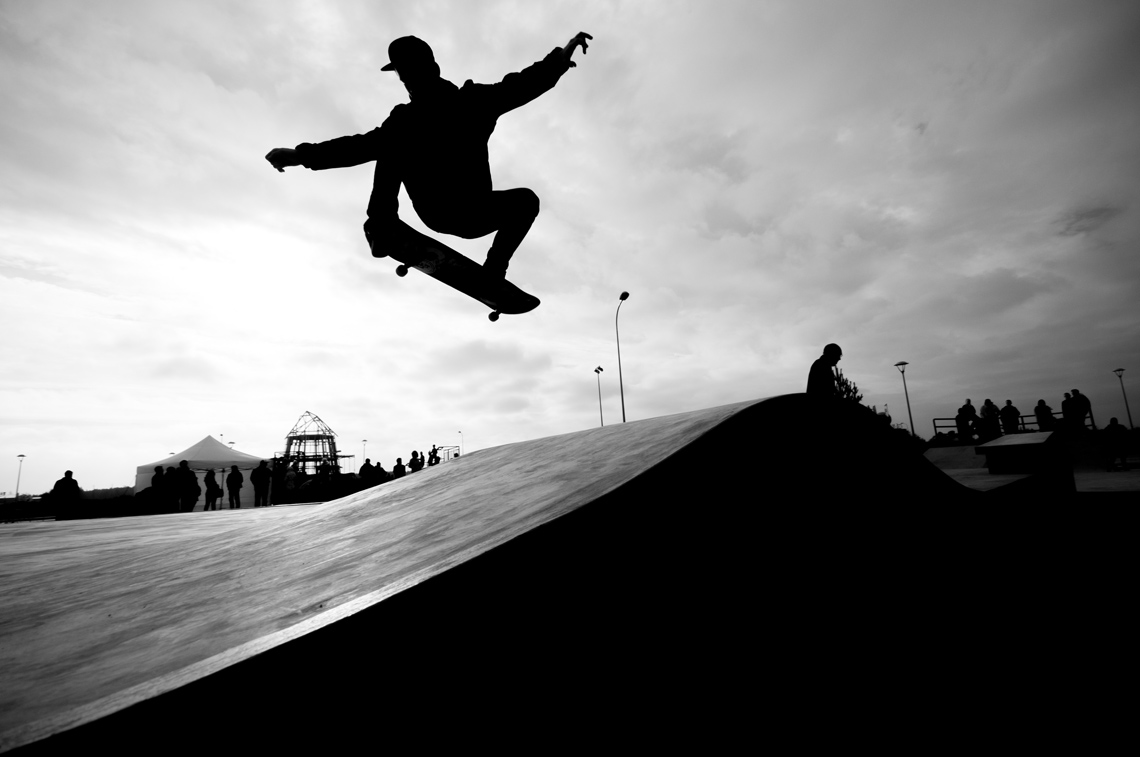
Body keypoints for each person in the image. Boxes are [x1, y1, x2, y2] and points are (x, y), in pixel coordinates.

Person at [265, 32, 593, 282]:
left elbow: (521, 86)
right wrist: (300, 155)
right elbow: (359, 146)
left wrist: (560, 60)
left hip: (463, 209)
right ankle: (384, 226)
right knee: (391, 142)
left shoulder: (471, 102)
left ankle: (491, 270)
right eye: (403, 77)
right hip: (448, 209)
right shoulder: (413, 117)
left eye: (411, 75)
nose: (407, 84)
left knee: (524, 201)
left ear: (432, 69)